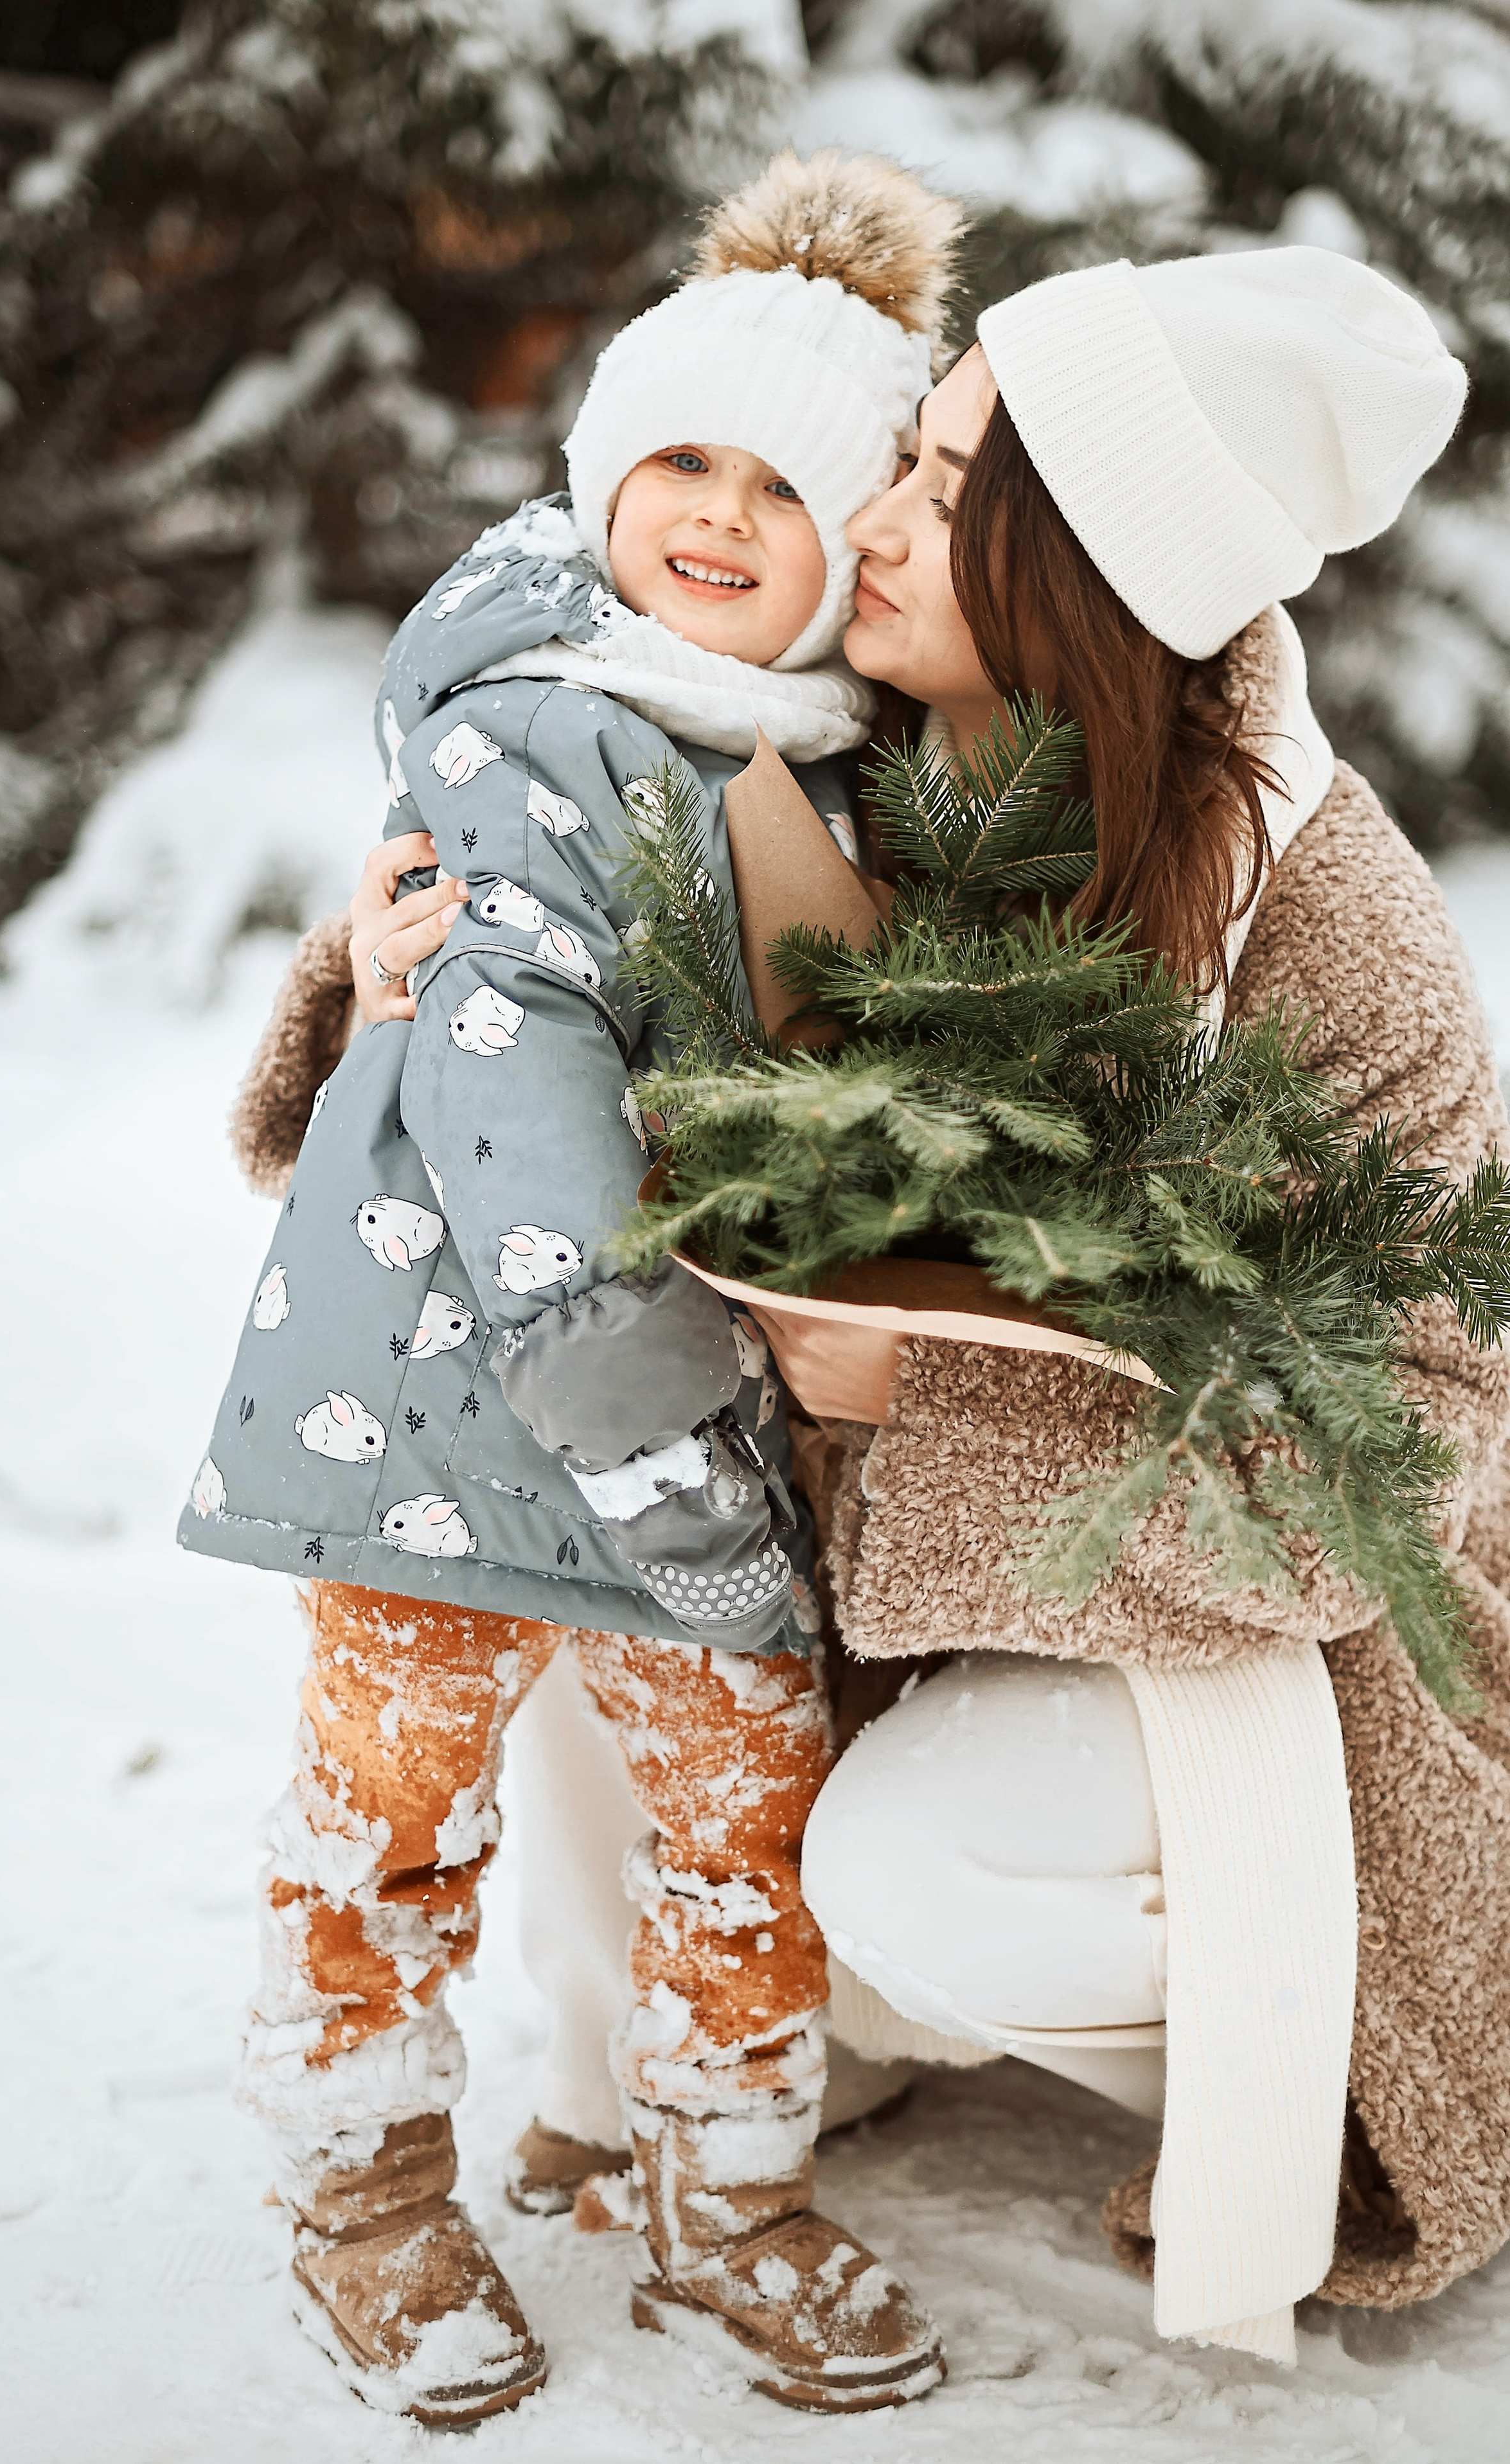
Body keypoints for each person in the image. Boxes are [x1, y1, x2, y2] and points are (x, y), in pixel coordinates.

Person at [179, 150, 961, 2425]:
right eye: (676, 463)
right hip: (455, 1411)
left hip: (672, 1404)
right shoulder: (546, 730)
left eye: (779, 489)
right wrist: (659, 1434)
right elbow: (517, 1112)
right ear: (602, 479)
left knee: (746, 1818)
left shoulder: (801, 750)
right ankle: (360, 2187)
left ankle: (727, 2192)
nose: (715, 517)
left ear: (853, 549)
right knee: (392, 1812)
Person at [801, 247, 1510, 2366]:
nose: (873, 522)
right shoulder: (876, 770)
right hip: (970, 1583)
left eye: (942, 489)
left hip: (1329, 1647)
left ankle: (1362, 2037)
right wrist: (397, 980)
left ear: (1084, 561)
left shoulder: (1319, 915)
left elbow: (1404, 1439)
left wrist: (926, 1398)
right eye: (900, 461)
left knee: (914, 1871)